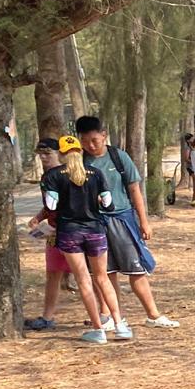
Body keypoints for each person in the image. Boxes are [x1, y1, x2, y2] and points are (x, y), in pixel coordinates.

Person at [75, 115, 180, 329]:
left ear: (104, 135)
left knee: (136, 269)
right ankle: (111, 316)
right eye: (85, 141)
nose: (91, 145)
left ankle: (153, 315)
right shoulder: (80, 162)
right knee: (104, 273)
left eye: (95, 140)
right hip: (94, 224)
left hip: (122, 220)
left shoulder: (118, 157)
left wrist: (144, 221)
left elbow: (134, 190)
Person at [41, 136, 131, 345]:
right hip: (96, 231)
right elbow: (108, 204)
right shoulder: (96, 173)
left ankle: (98, 330)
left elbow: (51, 206)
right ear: (80, 152)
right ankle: (120, 325)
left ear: (61, 154)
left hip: (70, 233)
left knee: (83, 280)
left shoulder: (53, 175)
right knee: (102, 278)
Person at [24, 138, 74, 332]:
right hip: (53, 233)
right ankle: (47, 317)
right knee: (53, 273)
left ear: (60, 154)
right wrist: (39, 217)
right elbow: (50, 206)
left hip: (74, 233)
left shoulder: (71, 174)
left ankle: (103, 315)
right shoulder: (46, 177)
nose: (44, 158)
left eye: (48, 154)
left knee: (87, 275)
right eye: (41, 154)